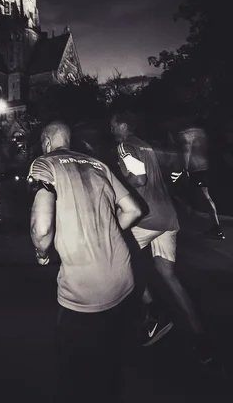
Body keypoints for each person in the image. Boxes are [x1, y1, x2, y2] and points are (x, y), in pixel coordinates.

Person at [28, 121, 142, 403]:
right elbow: (134, 209)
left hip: (83, 290)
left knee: (74, 374)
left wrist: (42, 254)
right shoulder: (98, 164)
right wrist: (106, 230)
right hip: (123, 280)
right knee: (107, 360)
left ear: (46, 142)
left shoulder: (45, 163)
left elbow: (41, 229)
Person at [110, 111, 223, 371]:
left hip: (147, 219)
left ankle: (154, 314)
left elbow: (139, 179)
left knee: (120, 260)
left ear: (123, 126)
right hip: (168, 217)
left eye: (114, 126)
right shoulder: (145, 144)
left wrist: (116, 181)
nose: (112, 130)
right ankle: (202, 338)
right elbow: (168, 171)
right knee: (168, 275)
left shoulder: (125, 146)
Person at [169, 118, 225, 240]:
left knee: (185, 194)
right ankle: (213, 227)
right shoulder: (201, 132)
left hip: (194, 169)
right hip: (204, 167)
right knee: (200, 196)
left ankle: (215, 228)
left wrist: (185, 169)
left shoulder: (185, 134)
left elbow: (186, 152)